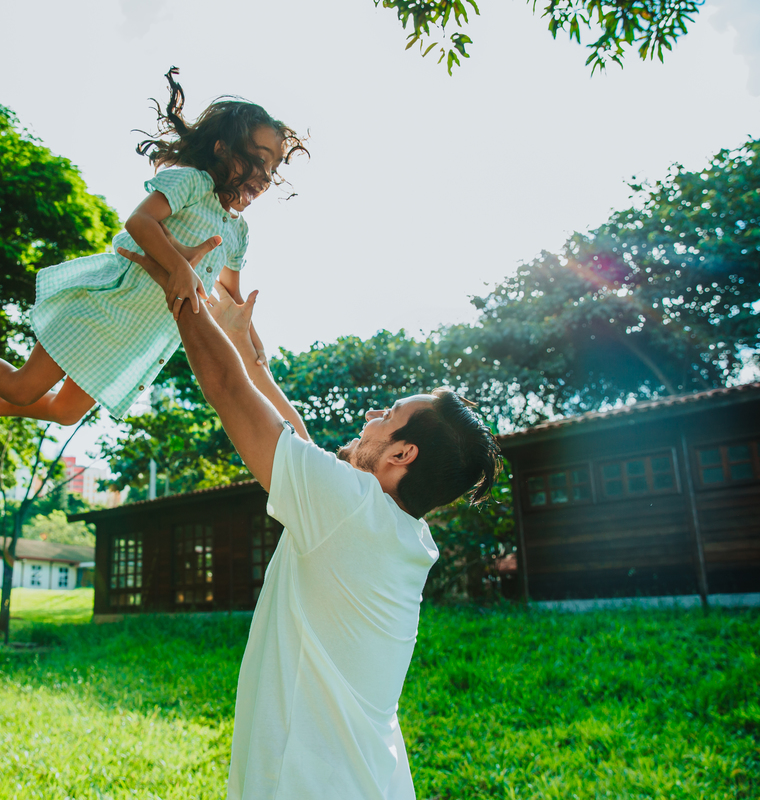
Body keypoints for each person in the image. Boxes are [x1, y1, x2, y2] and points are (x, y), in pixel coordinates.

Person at [117, 233, 501, 799]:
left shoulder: (350, 509)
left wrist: (181, 287)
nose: (372, 415)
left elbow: (228, 390)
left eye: (389, 414)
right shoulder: (396, 530)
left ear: (401, 454)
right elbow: (296, 441)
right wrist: (246, 350)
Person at [0, 68, 307, 435]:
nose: (266, 174)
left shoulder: (238, 232)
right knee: (25, 385)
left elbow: (232, 298)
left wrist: (254, 342)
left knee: (66, 412)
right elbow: (140, 222)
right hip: (104, 307)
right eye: (259, 158)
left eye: (273, 166)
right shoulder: (192, 183)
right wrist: (179, 266)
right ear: (222, 149)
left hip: (133, 338)